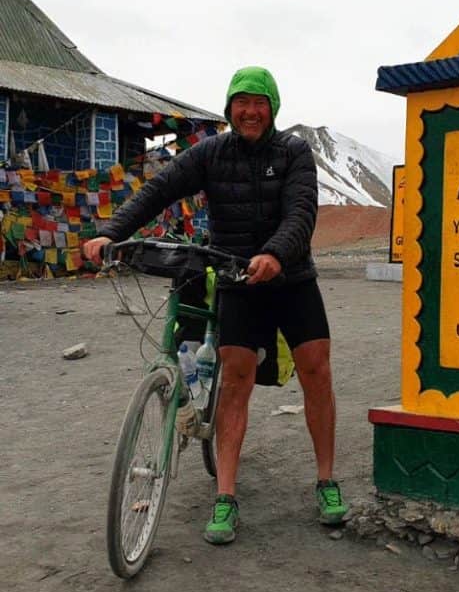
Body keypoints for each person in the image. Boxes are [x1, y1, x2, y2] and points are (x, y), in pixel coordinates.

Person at [83, 66, 348, 544]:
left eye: (259, 103)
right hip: (235, 277)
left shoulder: (293, 152)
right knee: (235, 380)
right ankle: (225, 496)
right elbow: (158, 191)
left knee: (317, 370)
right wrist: (111, 233)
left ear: (272, 108)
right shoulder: (210, 153)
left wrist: (275, 253)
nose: (250, 111)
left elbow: (301, 211)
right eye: (241, 103)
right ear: (229, 108)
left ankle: (326, 481)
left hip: (291, 277)